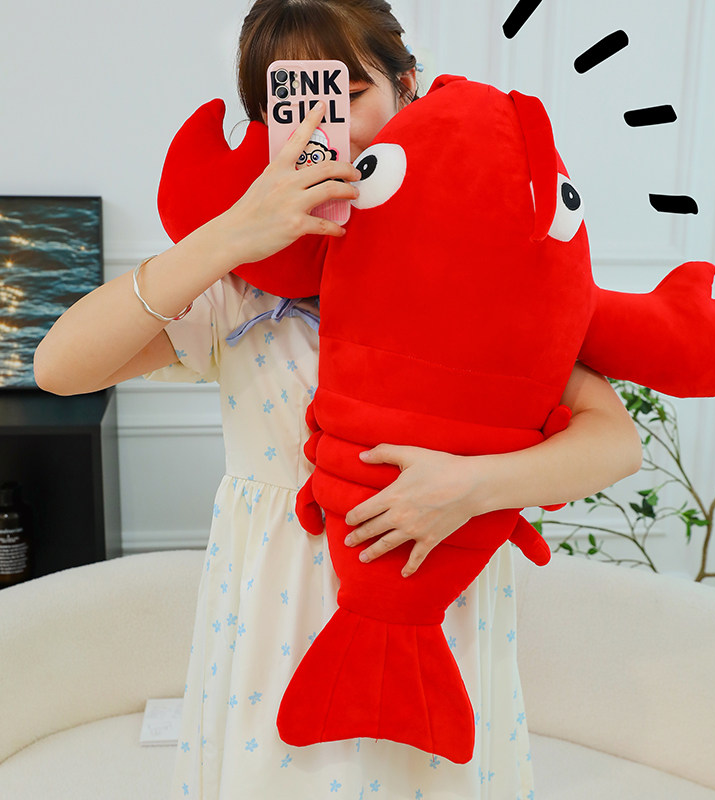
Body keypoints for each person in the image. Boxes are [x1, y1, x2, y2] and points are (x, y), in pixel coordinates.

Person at [34, 1, 642, 797]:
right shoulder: (244, 290)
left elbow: (614, 442)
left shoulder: (481, 269)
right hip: (274, 630)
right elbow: (60, 367)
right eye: (292, 106)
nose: (328, 129)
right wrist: (228, 235)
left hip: (438, 605)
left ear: (407, 87)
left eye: (348, 95)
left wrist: (472, 487)